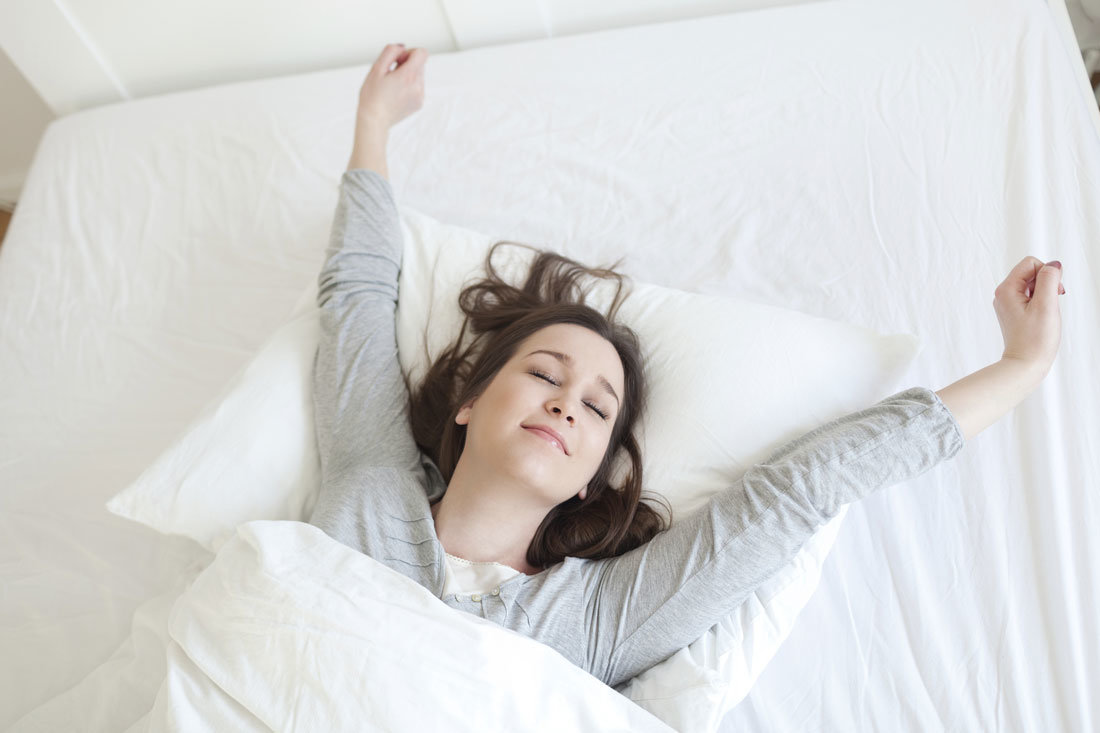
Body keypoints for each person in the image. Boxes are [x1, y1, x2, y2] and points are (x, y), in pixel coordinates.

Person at [308, 44, 1066, 689]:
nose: (569, 403)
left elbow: (802, 490)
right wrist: (373, 126)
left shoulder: (598, 618)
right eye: (544, 373)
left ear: (589, 477)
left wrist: (1021, 366)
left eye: (598, 409)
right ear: (470, 401)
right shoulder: (370, 478)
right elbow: (358, 296)